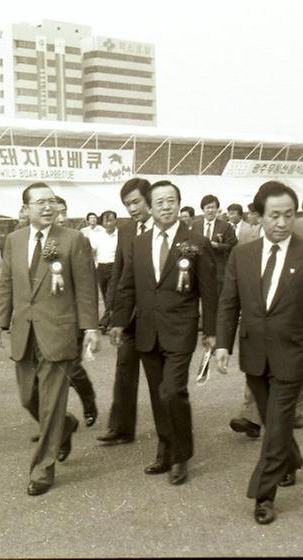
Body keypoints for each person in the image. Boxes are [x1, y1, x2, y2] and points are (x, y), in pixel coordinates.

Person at [215, 181, 303, 525]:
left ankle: (264, 495)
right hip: (253, 353)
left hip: (292, 353)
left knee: (275, 426)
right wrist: (221, 344)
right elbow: (229, 303)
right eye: (274, 215)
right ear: (258, 216)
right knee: (274, 422)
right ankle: (290, 461)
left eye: (288, 215)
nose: (281, 222)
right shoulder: (242, 255)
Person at [0, 182, 99, 496]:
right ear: (26, 209)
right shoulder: (14, 239)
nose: (48, 207)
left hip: (58, 331)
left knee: (52, 403)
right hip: (24, 330)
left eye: (52, 201)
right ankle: (64, 426)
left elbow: (86, 288)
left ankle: (42, 469)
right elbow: (7, 283)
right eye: (40, 202)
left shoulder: (73, 240)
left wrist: (90, 328)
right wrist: (0, 320)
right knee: (29, 398)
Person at [110, 180, 218, 486]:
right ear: (150, 206)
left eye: (171, 201)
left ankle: (181, 456)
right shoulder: (139, 243)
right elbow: (127, 286)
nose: (166, 207)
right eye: (159, 202)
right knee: (159, 396)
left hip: (180, 329)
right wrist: (118, 321)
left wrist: (211, 330)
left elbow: (210, 291)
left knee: (172, 391)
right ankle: (165, 448)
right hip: (147, 330)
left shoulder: (195, 242)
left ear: (179, 204)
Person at [97, 178, 154, 447]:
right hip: (129, 317)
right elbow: (119, 274)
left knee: (161, 382)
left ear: (149, 199)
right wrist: (113, 313)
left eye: (136, 202)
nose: (132, 209)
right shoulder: (126, 230)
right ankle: (121, 428)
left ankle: (170, 437)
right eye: (127, 204)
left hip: (157, 318)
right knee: (124, 370)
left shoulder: (167, 229)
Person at [52, 197, 98, 427]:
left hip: (72, 317)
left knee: (71, 369)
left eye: (64, 211)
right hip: (47, 318)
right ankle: (54, 423)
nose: (60, 217)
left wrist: (89, 323)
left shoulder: (78, 240)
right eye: (56, 212)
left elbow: (87, 283)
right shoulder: (40, 241)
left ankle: (89, 402)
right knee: (47, 373)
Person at [193, 194, 237, 297]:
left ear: (217, 209)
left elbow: (232, 245)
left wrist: (217, 245)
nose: (210, 210)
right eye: (208, 208)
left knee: (217, 298)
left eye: (213, 207)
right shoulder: (196, 225)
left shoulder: (226, 226)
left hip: (218, 270)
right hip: (200, 269)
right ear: (203, 209)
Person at [94, 210, 118, 330]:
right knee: (104, 294)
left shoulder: (120, 235)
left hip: (114, 266)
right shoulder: (98, 235)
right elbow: (92, 250)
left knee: (110, 294)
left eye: (110, 220)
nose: (108, 223)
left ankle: (105, 321)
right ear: (102, 222)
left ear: (115, 221)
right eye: (105, 221)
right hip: (101, 267)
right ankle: (111, 318)